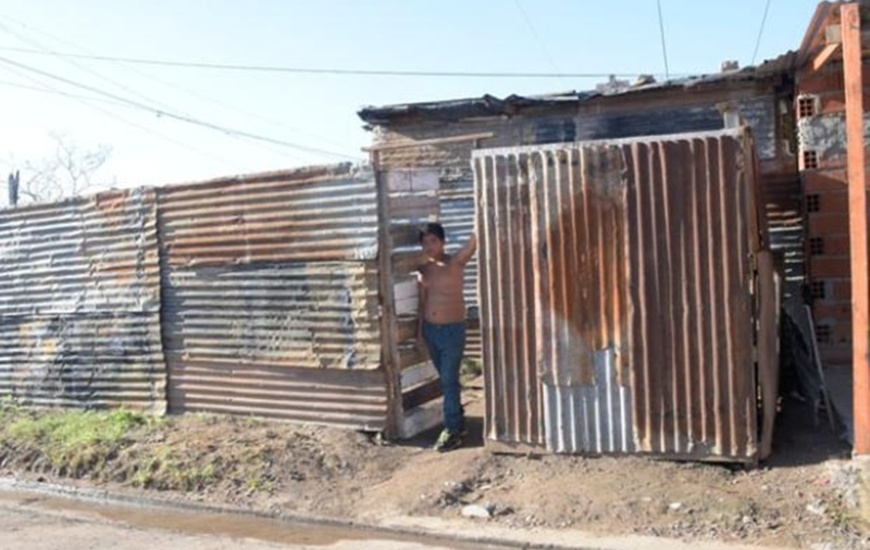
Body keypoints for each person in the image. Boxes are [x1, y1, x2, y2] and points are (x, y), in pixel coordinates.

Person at [416, 222, 477, 452]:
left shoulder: (455, 263)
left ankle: (451, 429)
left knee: (448, 380)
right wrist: (419, 333)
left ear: (443, 242)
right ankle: (458, 421)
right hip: (432, 332)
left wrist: (480, 213)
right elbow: (423, 303)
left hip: (453, 331)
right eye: (425, 242)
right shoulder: (424, 271)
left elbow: (472, 245)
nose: (429, 246)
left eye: (433, 240)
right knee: (447, 380)